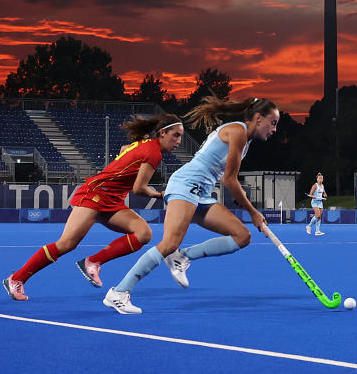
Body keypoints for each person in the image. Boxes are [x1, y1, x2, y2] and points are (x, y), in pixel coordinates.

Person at [103, 97, 279, 315]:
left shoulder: (244, 139)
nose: (275, 129)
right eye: (273, 122)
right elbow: (230, 180)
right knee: (168, 243)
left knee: (242, 236)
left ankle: (183, 256)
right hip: (185, 185)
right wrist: (253, 213)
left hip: (201, 193)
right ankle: (119, 293)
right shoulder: (238, 132)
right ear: (259, 118)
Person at [3, 114, 184, 301]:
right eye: (176, 135)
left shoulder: (144, 143)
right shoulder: (154, 153)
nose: (178, 141)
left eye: (181, 137)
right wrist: (161, 195)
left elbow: (124, 149)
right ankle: (16, 279)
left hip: (111, 199)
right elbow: (139, 189)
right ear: (162, 133)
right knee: (66, 244)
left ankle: (93, 261)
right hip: (94, 195)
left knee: (143, 233)